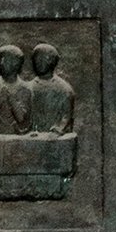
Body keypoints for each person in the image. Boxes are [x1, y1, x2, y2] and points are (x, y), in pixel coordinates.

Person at [0, 44, 34, 200]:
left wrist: (11, 99)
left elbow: (23, 119)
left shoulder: (25, 89)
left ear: (18, 64)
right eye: (1, 60)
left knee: (17, 164)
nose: (4, 64)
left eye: (9, 60)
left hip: (17, 137)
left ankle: (19, 189)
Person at [24, 42, 76, 199]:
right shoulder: (29, 87)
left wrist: (58, 130)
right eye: (37, 59)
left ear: (53, 61)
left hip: (53, 138)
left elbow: (66, 116)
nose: (40, 62)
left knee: (51, 168)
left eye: (45, 59)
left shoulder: (63, 88)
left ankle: (53, 191)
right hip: (33, 137)